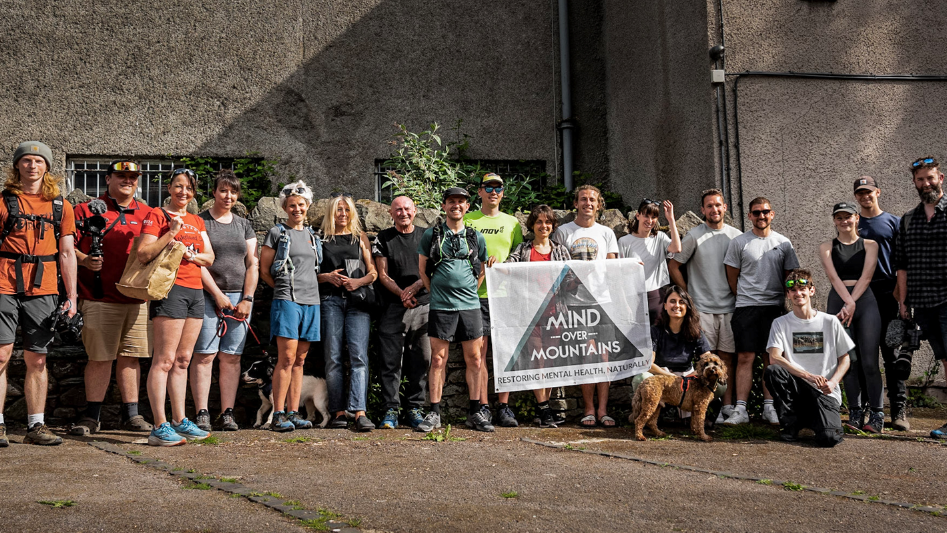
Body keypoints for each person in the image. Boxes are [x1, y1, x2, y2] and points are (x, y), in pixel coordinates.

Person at [0, 141, 78, 446]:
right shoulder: (4, 202)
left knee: (38, 359)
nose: (32, 166)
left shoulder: (60, 206)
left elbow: (68, 254)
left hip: (43, 289)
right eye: (27, 160)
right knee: (1, 356)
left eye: (38, 161)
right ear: (17, 166)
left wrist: (70, 296)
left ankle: (36, 426)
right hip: (3, 286)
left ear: (46, 168)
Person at [71, 160, 154, 437]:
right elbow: (67, 248)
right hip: (98, 297)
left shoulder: (148, 212)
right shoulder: (85, 209)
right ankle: (92, 417)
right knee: (100, 358)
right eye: (121, 176)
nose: (128, 180)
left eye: (132, 177)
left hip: (137, 299)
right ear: (107, 179)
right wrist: (85, 261)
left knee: (132, 358)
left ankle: (132, 415)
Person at [138, 168, 215, 446]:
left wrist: (193, 255)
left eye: (189, 188)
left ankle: (179, 421)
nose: (184, 192)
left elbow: (209, 257)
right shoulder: (156, 215)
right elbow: (144, 253)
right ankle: (159, 426)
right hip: (168, 290)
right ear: (170, 188)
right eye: (179, 186)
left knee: (183, 360)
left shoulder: (196, 219)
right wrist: (170, 233)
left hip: (195, 291)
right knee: (164, 360)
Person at [415, 187, 492, 433]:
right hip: (441, 306)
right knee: (438, 359)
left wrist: (470, 290)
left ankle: (475, 412)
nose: (456, 205)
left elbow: (481, 270)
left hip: (470, 306)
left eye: (461, 202)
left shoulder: (476, 237)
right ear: (444, 206)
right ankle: (434, 413)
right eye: (451, 202)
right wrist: (436, 292)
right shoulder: (432, 235)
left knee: (476, 359)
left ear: (467, 206)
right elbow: (422, 270)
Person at [191, 170, 258, 432]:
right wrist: (217, 295)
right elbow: (196, 262)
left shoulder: (244, 225)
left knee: (231, 357)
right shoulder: (200, 222)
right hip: (206, 296)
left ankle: (227, 413)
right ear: (214, 192)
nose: (228, 196)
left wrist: (248, 299)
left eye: (233, 191)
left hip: (240, 299)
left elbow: (252, 264)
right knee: (205, 355)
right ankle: (202, 413)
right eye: (223, 190)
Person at [723, 197, 800, 425]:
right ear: (749, 216)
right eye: (756, 213)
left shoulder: (783, 243)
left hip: (775, 309)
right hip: (746, 307)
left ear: (772, 214)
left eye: (765, 212)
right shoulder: (739, 242)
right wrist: (746, 296)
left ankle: (769, 407)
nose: (761, 216)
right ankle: (741, 409)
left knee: (771, 358)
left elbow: (790, 277)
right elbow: (732, 276)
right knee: (745, 357)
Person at [668, 188, 742, 424]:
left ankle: (727, 408)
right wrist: (688, 296)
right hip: (703, 309)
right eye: (709, 206)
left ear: (725, 207)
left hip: (729, 308)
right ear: (702, 210)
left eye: (718, 205)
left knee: (727, 360)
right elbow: (673, 265)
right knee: (704, 362)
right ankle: (703, 410)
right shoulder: (694, 235)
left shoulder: (736, 236)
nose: (714, 209)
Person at [552, 185, 620, 427]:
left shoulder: (607, 233)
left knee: (603, 357)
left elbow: (613, 269)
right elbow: (555, 267)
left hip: (601, 303)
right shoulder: (562, 232)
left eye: (592, 200)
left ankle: (603, 410)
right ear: (576, 204)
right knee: (585, 357)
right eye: (583, 199)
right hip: (575, 305)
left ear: (599, 205)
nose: (587, 203)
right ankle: (589, 409)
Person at [764, 269, 852, 447]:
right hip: (798, 386)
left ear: (811, 290)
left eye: (802, 289)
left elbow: (845, 358)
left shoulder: (830, 321)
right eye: (793, 290)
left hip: (824, 391)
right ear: (788, 294)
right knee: (773, 372)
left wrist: (834, 382)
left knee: (830, 439)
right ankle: (790, 424)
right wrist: (809, 376)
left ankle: (814, 422)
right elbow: (774, 358)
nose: (798, 293)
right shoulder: (780, 323)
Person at [259, 181, 322, 432]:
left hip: (312, 302)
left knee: (300, 361)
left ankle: (294, 412)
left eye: (301, 205)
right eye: (292, 205)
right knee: (285, 358)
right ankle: (278, 413)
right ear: (285, 207)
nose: (297, 209)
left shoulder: (312, 236)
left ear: (307, 207)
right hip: (287, 301)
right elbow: (264, 271)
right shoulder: (277, 233)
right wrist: (282, 291)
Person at [464, 173, 524, 427]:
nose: (493, 191)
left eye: (498, 187)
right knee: (480, 354)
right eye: (488, 187)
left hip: (505, 295)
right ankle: (483, 406)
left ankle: (504, 406)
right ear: (479, 192)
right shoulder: (467, 219)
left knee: (505, 354)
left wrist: (505, 265)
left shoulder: (512, 223)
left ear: (503, 193)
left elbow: (520, 257)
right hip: (474, 295)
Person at [818, 201, 883, 433]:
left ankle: (876, 414)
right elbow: (833, 278)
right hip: (838, 301)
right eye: (839, 218)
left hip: (864, 302)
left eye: (848, 217)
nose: (844, 221)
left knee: (869, 361)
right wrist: (847, 302)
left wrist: (852, 302)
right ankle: (854, 412)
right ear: (834, 221)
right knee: (848, 361)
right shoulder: (827, 246)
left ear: (857, 218)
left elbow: (867, 277)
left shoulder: (870, 244)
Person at [894, 157, 947, 439]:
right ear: (914, 183)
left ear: (941, 178)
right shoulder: (908, 220)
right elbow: (901, 264)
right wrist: (903, 302)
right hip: (922, 302)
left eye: (931, 178)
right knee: (944, 358)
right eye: (920, 179)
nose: (926, 183)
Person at [504, 204, 572, 427]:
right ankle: (544, 410)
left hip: (556, 313)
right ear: (532, 225)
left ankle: (542, 408)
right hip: (529, 315)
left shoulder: (561, 251)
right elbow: (509, 267)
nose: (544, 226)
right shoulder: (524, 249)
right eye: (539, 222)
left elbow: (571, 280)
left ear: (553, 226)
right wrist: (496, 266)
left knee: (551, 361)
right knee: (537, 360)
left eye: (548, 222)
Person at [318, 193, 378, 432]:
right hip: (330, 301)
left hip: (357, 303)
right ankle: (338, 411)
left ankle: (359, 412)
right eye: (338, 210)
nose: (342, 214)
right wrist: (326, 277)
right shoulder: (320, 238)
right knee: (332, 357)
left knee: (359, 357)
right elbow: (309, 274)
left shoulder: (359, 237)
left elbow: (373, 272)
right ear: (331, 213)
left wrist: (359, 282)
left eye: (346, 210)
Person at [854, 176, 908, 430]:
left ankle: (899, 410)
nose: (865, 196)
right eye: (860, 193)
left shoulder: (894, 222)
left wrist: (901, 293)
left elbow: (902, 261)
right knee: (866, 354)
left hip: (889, 291)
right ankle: (869, 408)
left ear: (878, 192)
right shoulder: (853, 223)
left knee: (891, 354)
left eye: (869, 192)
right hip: (864, 293)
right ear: (856, 197)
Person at [373, 196, 431, 429]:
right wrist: (402, 294)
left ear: (415, 210)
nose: (403, 213)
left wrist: (416, 287)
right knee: (390, 361)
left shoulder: (427, 236)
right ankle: (390, 410)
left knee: (423, 359)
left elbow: (434, 267)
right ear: (390, 212)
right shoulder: (383, 238)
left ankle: (415, 408)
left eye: (407, 208)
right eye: (398, 209)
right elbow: (382, 274)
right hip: (392, 306)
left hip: (424, 304)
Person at [630, 286, 723, 419]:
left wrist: (691, 376)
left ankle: (702, 412)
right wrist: (670, 377)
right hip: (662, 375)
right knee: (641, 378)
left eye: (681, 302)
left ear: (687, 307)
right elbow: (648, 363)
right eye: (672, 301)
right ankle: (653, 414)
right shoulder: (655, 331)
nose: (677, 305)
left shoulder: (696, 331)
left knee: (718, 383)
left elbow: (708, 360)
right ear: (665, 306)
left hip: (687, 378)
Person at [618, 198, 681, 325]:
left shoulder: (660, 238)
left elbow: (677, 248)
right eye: (646, 216)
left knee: (659, 337)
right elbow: (618, 273)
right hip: (633, 296)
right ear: (638, 215)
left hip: (656, 295)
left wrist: (671, 219)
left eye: (654, 217)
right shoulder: (624, 242)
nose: (650, 221)